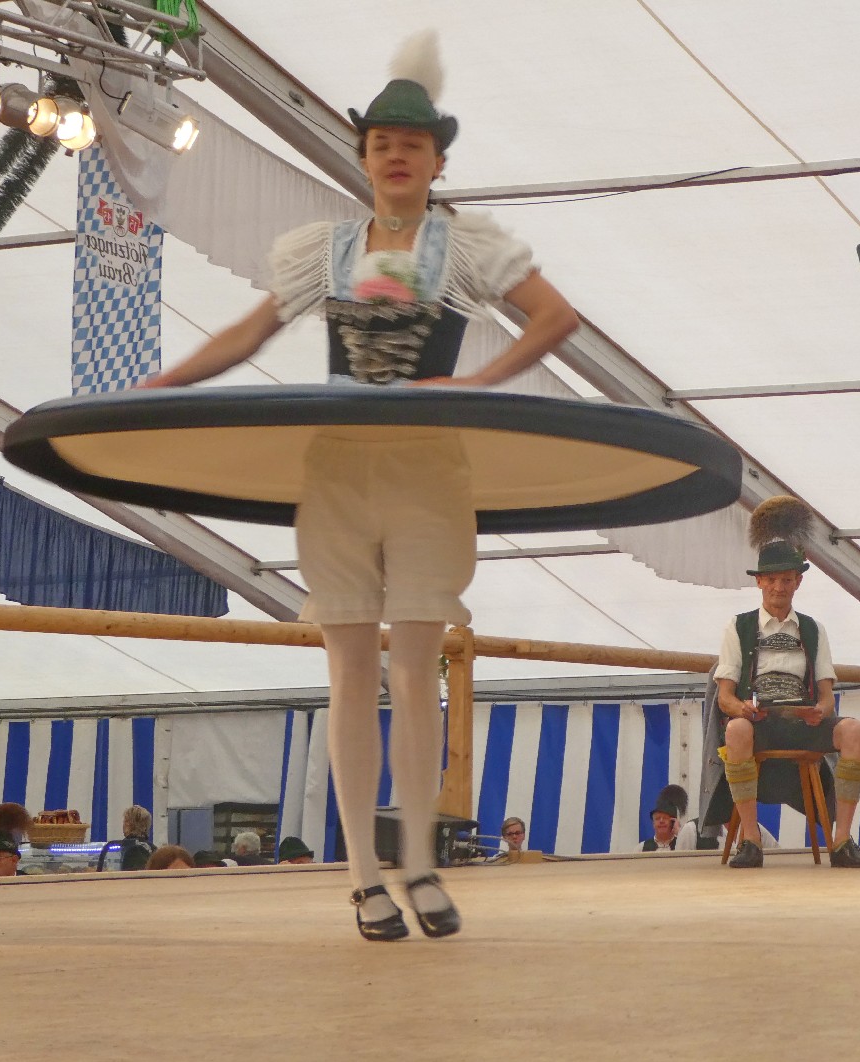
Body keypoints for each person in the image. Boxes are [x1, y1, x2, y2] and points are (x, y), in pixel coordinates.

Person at [141, 32, 577, 941]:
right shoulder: (325, 250)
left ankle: (419, 862)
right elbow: (252, 331)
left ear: (437, 160)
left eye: (411, 143)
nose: (396, 155)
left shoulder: (467, 248)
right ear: (365, 156)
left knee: (414, 671)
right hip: (339, 468)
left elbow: (555, 318)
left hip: (426, 469)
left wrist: (475, 384)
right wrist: (163, 385)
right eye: (381, 142)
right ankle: (365, 877)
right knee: (348, 672)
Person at [714, 496, 860, 869]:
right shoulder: (738, 627)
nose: (778, 587)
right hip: (760, 724)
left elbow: (827, 697)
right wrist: (743, 709)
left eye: (786, 580)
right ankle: (750, 841)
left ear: (798, 582)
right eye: (771, 580)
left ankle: (842, 841)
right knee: (735, 730)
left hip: (804, 725)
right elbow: (724, 698)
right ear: (759, 582)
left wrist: (820, 712)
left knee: (854, 731)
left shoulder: (814, 629)